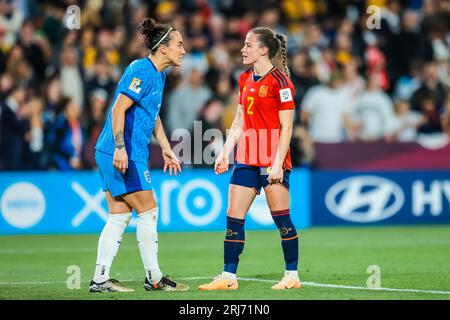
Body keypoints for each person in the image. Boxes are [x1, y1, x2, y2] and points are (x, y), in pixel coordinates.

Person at [90, 18, 188, 293]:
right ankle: (154, 278)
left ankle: (100, 279)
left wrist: (166, 148)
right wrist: (121, 148)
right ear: (163, 48)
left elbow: (151, 115)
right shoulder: (141, 69)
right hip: (123, 151)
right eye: (179, 44)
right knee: (149, 211)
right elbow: (118, 109)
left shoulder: (159, 75)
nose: (183, 50)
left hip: (116, 149)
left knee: (119, 215)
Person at [199, 27, 301, 291]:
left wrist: (278, 162)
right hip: (246, 156)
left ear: (263, 49)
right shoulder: (244, 77)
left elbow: (287, 127)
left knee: (281, 218)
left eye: (248, 45)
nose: (243, 49)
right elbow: (240, 118)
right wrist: (225, 152)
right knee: (233, 216)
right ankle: (228, 277)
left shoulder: (281, 82)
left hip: (272, 158)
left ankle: (292, 275)